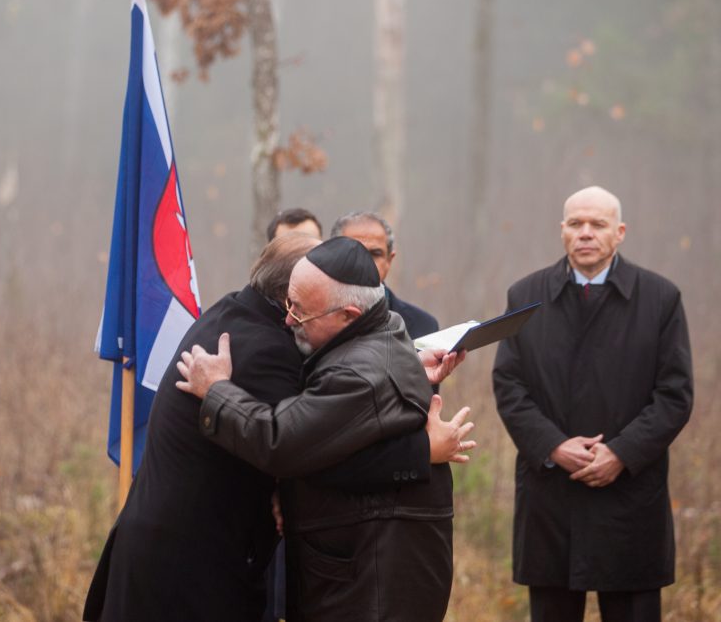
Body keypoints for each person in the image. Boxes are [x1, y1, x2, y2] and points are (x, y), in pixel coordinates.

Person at [83, 233, 467, 622]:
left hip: (183, 559)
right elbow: (299, 453)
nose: (290, 318)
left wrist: (400, 372)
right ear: (288, 291)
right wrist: (421, 452)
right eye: (292, 305)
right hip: (182, 574)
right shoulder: (265, 351)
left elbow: (338, 408)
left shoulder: (236, 314)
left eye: (298, 309)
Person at [492, 186, 693, 622]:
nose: (586, 233)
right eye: (576, 224)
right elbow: (509, 384)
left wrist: (622, 452)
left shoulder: (660, 298)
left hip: (629, 498)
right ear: (561, 230)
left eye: (597, 225)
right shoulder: (525, 296)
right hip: (551, 494)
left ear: (619, 233)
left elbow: (674, 394)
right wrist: (552, 446)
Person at [331, 211, 438, 339]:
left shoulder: (424, 326)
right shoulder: (313, 321)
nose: (365, 262)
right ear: (334, 257)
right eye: (354, 252)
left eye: (375, 254)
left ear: (389, 260)